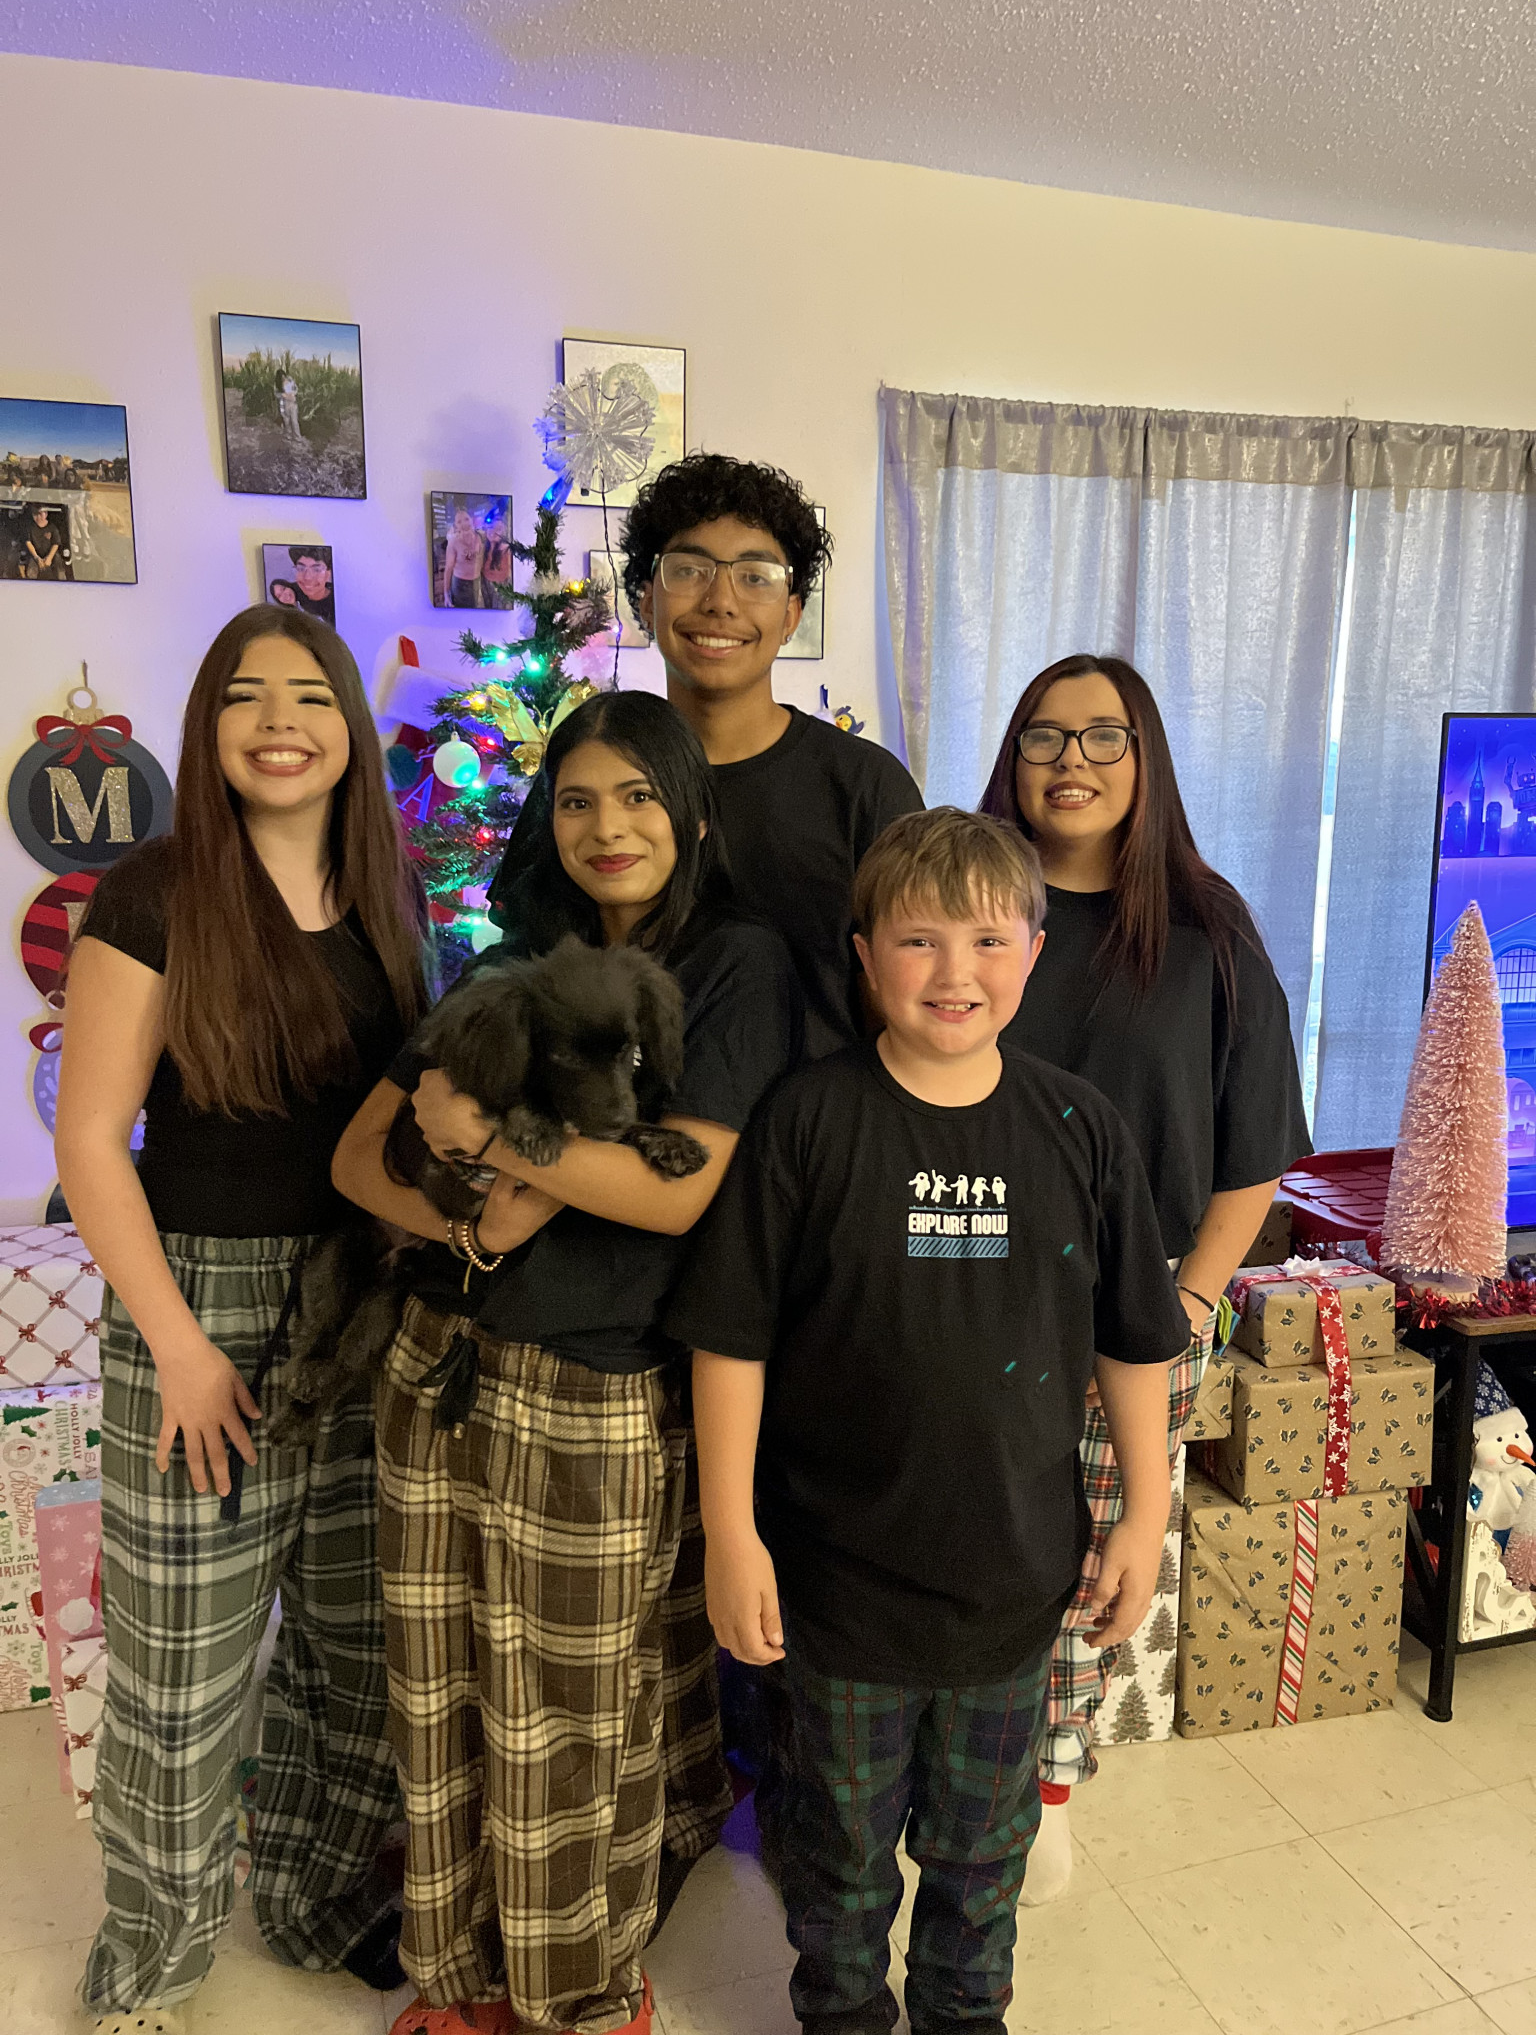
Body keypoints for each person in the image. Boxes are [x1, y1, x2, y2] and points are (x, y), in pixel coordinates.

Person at [669, 807, 1189, 2035]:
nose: (955, 971)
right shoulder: (807, 1119)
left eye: (989, 939)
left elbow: (1134, 1339)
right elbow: (730, 1340)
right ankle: (844, 2013)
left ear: (1034, 950)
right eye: (918, 940)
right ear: (864, 955)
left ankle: (963, 2013)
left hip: (1012, 1583)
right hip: (836, 1590)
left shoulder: (1082, 1129)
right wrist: (731, 1532)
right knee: (837, 1851)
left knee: (981, 1849)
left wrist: (1146, 1512)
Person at [332, 690, 801, 2035]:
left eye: (639, 796)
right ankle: (461, 1975)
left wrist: (495, 1146)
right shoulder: (507, 962)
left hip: (597, 1390)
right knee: (441, 1696)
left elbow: (682, 1187)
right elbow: (359, 1156)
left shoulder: (735, 963)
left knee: (571, 1723)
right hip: (436, 1366)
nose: (609, 826)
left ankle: (581, 1996)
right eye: (580, 799)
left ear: (690, 813)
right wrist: (470, 1227)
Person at [56, 603, 432, 2034]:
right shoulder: (152, 894)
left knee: (354, 1647)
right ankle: (151, 1966)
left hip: (363, 1302)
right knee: (183, 1674)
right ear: (207, 726)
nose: (281, 721)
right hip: (197, 1302)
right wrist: (182, 1348)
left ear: (349, 726)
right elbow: (91, 1140)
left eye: (311, 694)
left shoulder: (387, 894)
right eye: (246, 696)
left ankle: (322, 1897)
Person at [980, 652, 1311, 1899]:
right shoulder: (974, 909)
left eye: (1102, 736)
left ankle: (1050, 1784)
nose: (1071, 760)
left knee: (1101, 1555)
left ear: (1146, 757)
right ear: (1013, 756)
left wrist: (1190, 1300)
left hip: (1143, 1303)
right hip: (967, 1275)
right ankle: (957, 1763)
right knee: (971, 1531)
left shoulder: (1209, 934)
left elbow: (1253, 1146)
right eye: (1044, 735)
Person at [493, 454, 922, 1060]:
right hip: (623, 1115)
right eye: (689, 570)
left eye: (756, 577)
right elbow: (525, 963)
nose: (721, 601)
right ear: (646, 602)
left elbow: (910, 989)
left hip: (816, 1114)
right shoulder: (589, 775)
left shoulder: (864, 786)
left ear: (792, 614)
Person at [440, 503, 486, 609]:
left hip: (476, 582)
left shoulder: (480, 537)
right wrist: (446, 594)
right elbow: (448, 569)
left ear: (471, 520)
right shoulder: (453, 542)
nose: (464, 524)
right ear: (455, 525)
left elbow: (481, 559)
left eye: (466, 519)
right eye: (459, 522)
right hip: (460, 585)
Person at [288, 544, 337, 625]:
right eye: (301, 569)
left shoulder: (337, 602)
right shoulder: (289, 592)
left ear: (328, 574)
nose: (307, 577)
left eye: (317, 570)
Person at [22, 501, 63, 579]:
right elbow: (28, 542)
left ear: (46, 514)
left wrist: (49, 557)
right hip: (35, 555)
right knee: (31, 571)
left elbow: (56, 544)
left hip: (51, 555)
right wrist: (37, 558)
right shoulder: (30, 528)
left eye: (40, 514)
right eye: (35, 514)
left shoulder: (52, 528)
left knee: (59, 568)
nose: (38, 517)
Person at [278, 370, 303, 443]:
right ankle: (288, 435)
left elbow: (295, 389)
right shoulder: (279, 387)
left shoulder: (290, 380)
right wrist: (283, 395)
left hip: (292, 404)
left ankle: (297, 437)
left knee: (294, 421)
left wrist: (293, 394)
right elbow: (279, 398)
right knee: (287, 421)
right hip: (285, 404)